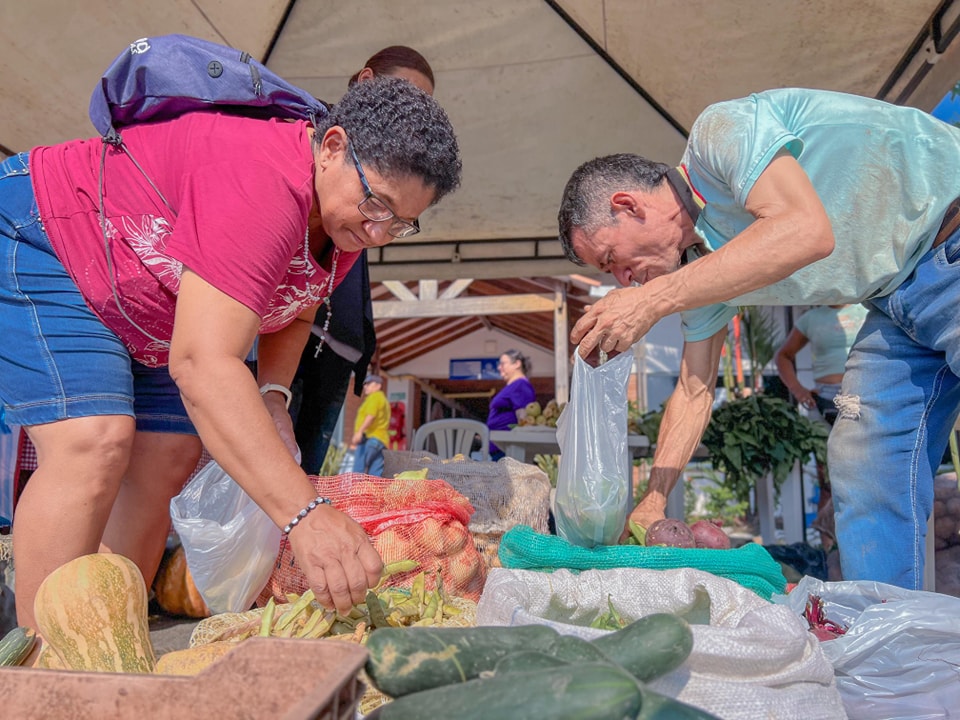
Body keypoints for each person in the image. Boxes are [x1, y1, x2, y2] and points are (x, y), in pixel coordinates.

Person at [0, 74, 461, 630]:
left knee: (167, 456)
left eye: (402, 223)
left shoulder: (346, 226)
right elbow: (201, 364)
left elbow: (298, 302)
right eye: (375, 204)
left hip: (143, 294)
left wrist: (272, 395)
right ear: (333, 146)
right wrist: (306, 515)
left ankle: (108, 646)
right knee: (92, 441)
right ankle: (42, 668)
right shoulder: (262, 180)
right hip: (48, 235)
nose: (380, 231)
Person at [558, 87, 960, 590]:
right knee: (863, 462)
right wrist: (655, 497)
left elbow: (805, 230)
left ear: (627, 205)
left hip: (951, 236)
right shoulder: (701, 272)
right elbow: (693, 389)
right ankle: (888, 648)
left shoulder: (717, 135)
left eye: (610, 259)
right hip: (896, 298)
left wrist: (654, 299)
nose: (622, 280)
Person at [293, 46, 435, 473]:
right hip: (285, 337)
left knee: (306, 473)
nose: (375, 230)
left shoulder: (371, 220)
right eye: (406, 94)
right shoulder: (310, 140)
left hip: (336, 346)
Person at [775, 303, 868, 557]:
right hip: (824, 400)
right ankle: (829, 554)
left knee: (863, 472)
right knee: (827, 478)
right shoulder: (811, 318)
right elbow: (783, 356)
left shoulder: (864, 307)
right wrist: (799, 390)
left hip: (861, 397)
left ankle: (862, 544)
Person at [486, 350, 536, 460]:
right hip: (500, 448)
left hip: (509, 450)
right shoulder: (514, 386)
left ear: (517, 364)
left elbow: (523, 417)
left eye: (503, 363)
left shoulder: (520, 385)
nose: (499, 367)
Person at [350, 375, 391, 476]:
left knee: (358, 472)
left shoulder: (375, 397)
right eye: (365, 384)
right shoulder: (383, 399)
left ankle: (356, 491)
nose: (365, 386)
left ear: (378, 386)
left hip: (370, 439)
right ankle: (374, 492)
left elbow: (371, 416)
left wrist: (359, 432)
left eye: (369, 384)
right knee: (375, 475)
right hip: (381, 441)